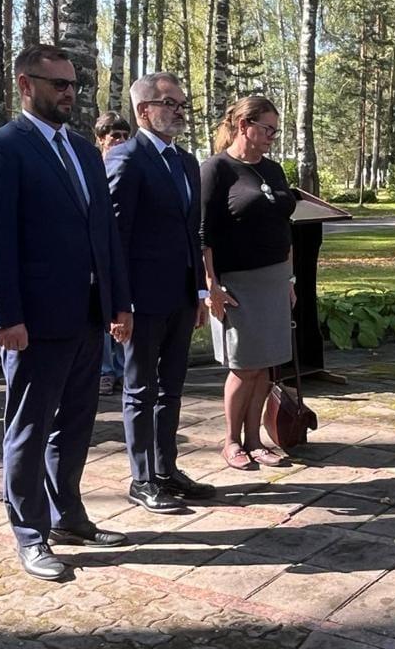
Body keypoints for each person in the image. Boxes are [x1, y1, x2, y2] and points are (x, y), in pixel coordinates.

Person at [0, 44, 133, 581]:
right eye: (58, 83)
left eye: (74, 84)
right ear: (25, 85)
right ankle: (30, 533)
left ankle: (68, 516)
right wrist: (3, 315)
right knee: (30, 428)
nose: (69, 93)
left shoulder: (84, 150)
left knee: (76, 424)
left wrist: (118, 302)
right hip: (33, 321)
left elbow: (104, 234)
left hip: (87, 315)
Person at [107, 73, 214, 512]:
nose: (179, 111)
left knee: (171, 388)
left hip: (181, 295)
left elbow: (193, 232)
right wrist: (120, 303)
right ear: (143, 110)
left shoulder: (186, 161)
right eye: (170, 103)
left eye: (182, 104)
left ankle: (166, 469)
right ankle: (142, 478)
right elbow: (115, 237)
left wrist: (201, 291)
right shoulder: (126, 158)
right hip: (142, 299)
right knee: (140, 390)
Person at [201, 95, 296, 469]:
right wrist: (211, 285)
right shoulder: (216, 169)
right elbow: (203, 234)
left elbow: (284, 226)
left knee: (266, 365)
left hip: (274, 279)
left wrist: (289, 279)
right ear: (244, 125)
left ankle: (255, 440)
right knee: (243, 367)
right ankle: (231, 442)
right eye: (267, 129)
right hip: (236, 283)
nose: (272, 136)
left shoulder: (273, 170)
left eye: (275, 130)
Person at [94, 111, 131, 394]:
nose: (120, 141)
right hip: (100, 248)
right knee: (103, 309)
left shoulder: (131, 166)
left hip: (126, 250)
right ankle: (105, 369)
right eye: (114, 136)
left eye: (125, 136)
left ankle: (122, 367)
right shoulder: (93, 168)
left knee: (124, 307)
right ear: (100, 139)